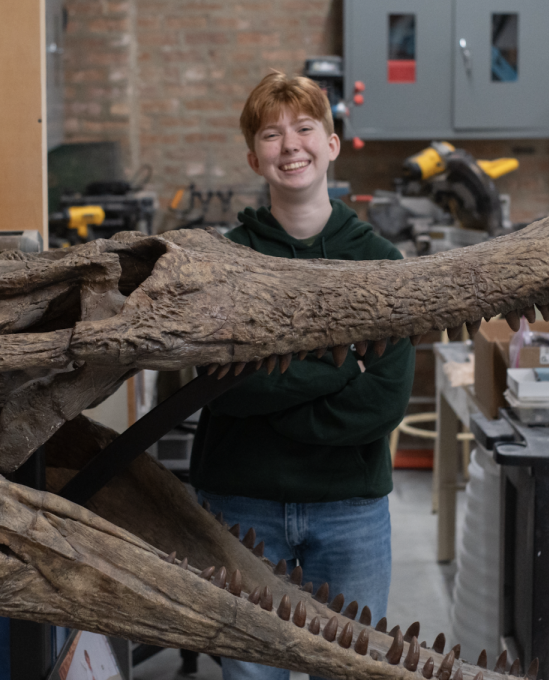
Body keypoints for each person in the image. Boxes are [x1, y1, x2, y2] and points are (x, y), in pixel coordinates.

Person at [189, 71, 416, 680]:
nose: (290, 146)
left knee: (350, 669)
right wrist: (342, 367)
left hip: (350, 512)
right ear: (253, 156)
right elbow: (219, 385)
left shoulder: (379, 262)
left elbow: (383, 401)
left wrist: (271, 390)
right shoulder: (223, 264)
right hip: (241, 507)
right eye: (272, 134)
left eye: (305, 129)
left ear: (332, 144)